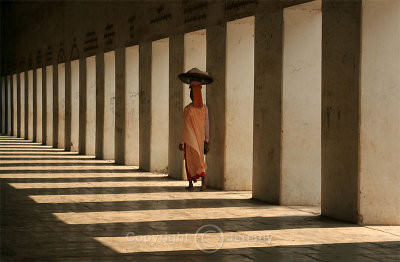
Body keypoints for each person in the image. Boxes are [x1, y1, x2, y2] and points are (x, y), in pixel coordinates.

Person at [178, 68, 213, 191]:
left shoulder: (190, 109)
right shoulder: (202, 108)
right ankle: (192, 183)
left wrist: (182, 141)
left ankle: (198, 181)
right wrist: (206, 138)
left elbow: (186, 126)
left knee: (194, 160)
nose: (192, 95)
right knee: (193, 160)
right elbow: (203, 124)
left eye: (193, 92)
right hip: (196, 139)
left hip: (192, 139)